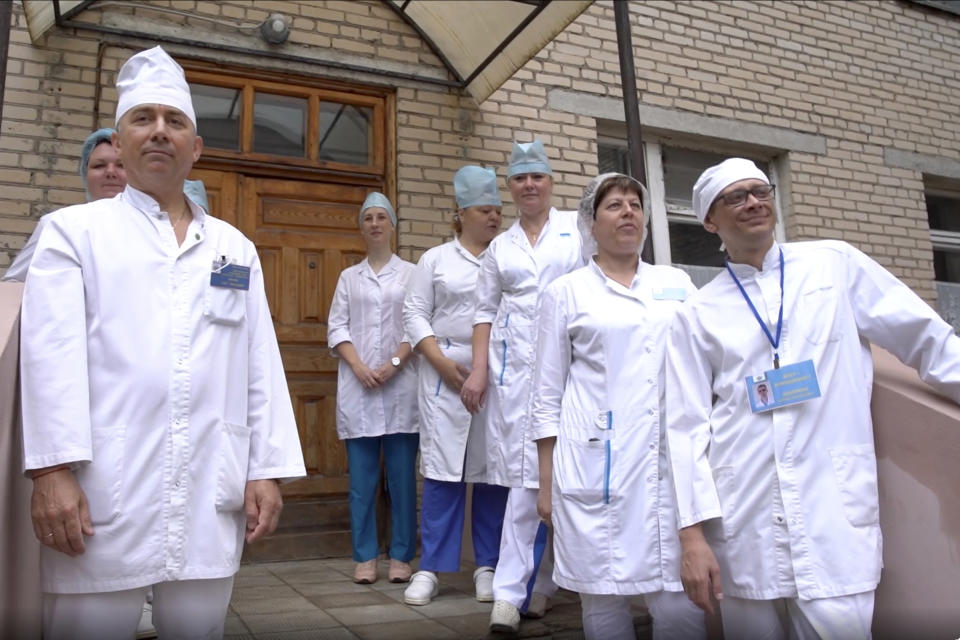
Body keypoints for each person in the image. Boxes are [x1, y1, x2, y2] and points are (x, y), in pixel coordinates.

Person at [19, 46, 305, 640]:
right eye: (142, 119)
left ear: (195, 148)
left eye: (174, 121)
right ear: (118, 144)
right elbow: (50, 359)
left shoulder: (233, 248)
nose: (158, 132)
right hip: (98, 494)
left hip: (208, 487)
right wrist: (51, 471)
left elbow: (259, 363)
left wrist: (267, 469)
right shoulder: (73, 234)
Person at [664, 157, 960, 640]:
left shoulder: (833, 265)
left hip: (833, 516)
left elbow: (924, 337)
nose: (755, 202)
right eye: (736, 197)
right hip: (745, 523)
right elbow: (683, 427)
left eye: (761, 191)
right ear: (710, 220)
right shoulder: (696, 313)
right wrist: (691, 536)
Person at [531, 173, 704, 640]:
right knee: (602, 600)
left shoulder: (677, 284)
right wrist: (545, 484)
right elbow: (546, 395)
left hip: (666, 463)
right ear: (591, 221)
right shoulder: (565, 293)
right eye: (614, 205)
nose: (628, 211)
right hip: (593, 467)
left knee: (679, 603)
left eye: (635, 203)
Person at [460, 139, 583, 633]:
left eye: (537, 176)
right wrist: (478, 368)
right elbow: (484, 311)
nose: (529, 184)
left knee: (571, 481)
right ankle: (509, 597)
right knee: (522, 486)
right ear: (509, 187)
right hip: (515, 380)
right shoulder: (500, 248)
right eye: (519, 178)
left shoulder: (577, 231)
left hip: (574, 372)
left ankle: (548, 582)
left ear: (551, 182)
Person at [401, 166, 510, 606]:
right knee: (444, 472)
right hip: (444, 375)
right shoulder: (435, 260)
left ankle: (488, 565)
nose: (495, 218)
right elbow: (413, 313)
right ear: (460, 213)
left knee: (490, 472)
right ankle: (430, 569)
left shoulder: (506, 255)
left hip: (497, 375)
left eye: (499, 211)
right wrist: (441, 363)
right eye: (485, 210)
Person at [327, 192, 419, 585]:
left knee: (402, 481)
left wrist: (395, 363)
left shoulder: (413, 274)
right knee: (362, 483)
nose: (376, 224)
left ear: (393, 225)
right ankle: (365, 556)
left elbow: (419, 323)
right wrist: (359, 367)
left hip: (401, 388)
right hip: (359, 388)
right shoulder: (349, 278)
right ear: (361, 227)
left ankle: (401, 556)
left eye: (382, 217)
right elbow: (337, 326)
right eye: (369, 218)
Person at [2, 128, 126, 282]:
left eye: (121, 165)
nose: (110, 172)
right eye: (99, 166)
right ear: (84, 174)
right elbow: (14, 284)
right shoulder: (57, 224)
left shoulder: (156, 228)